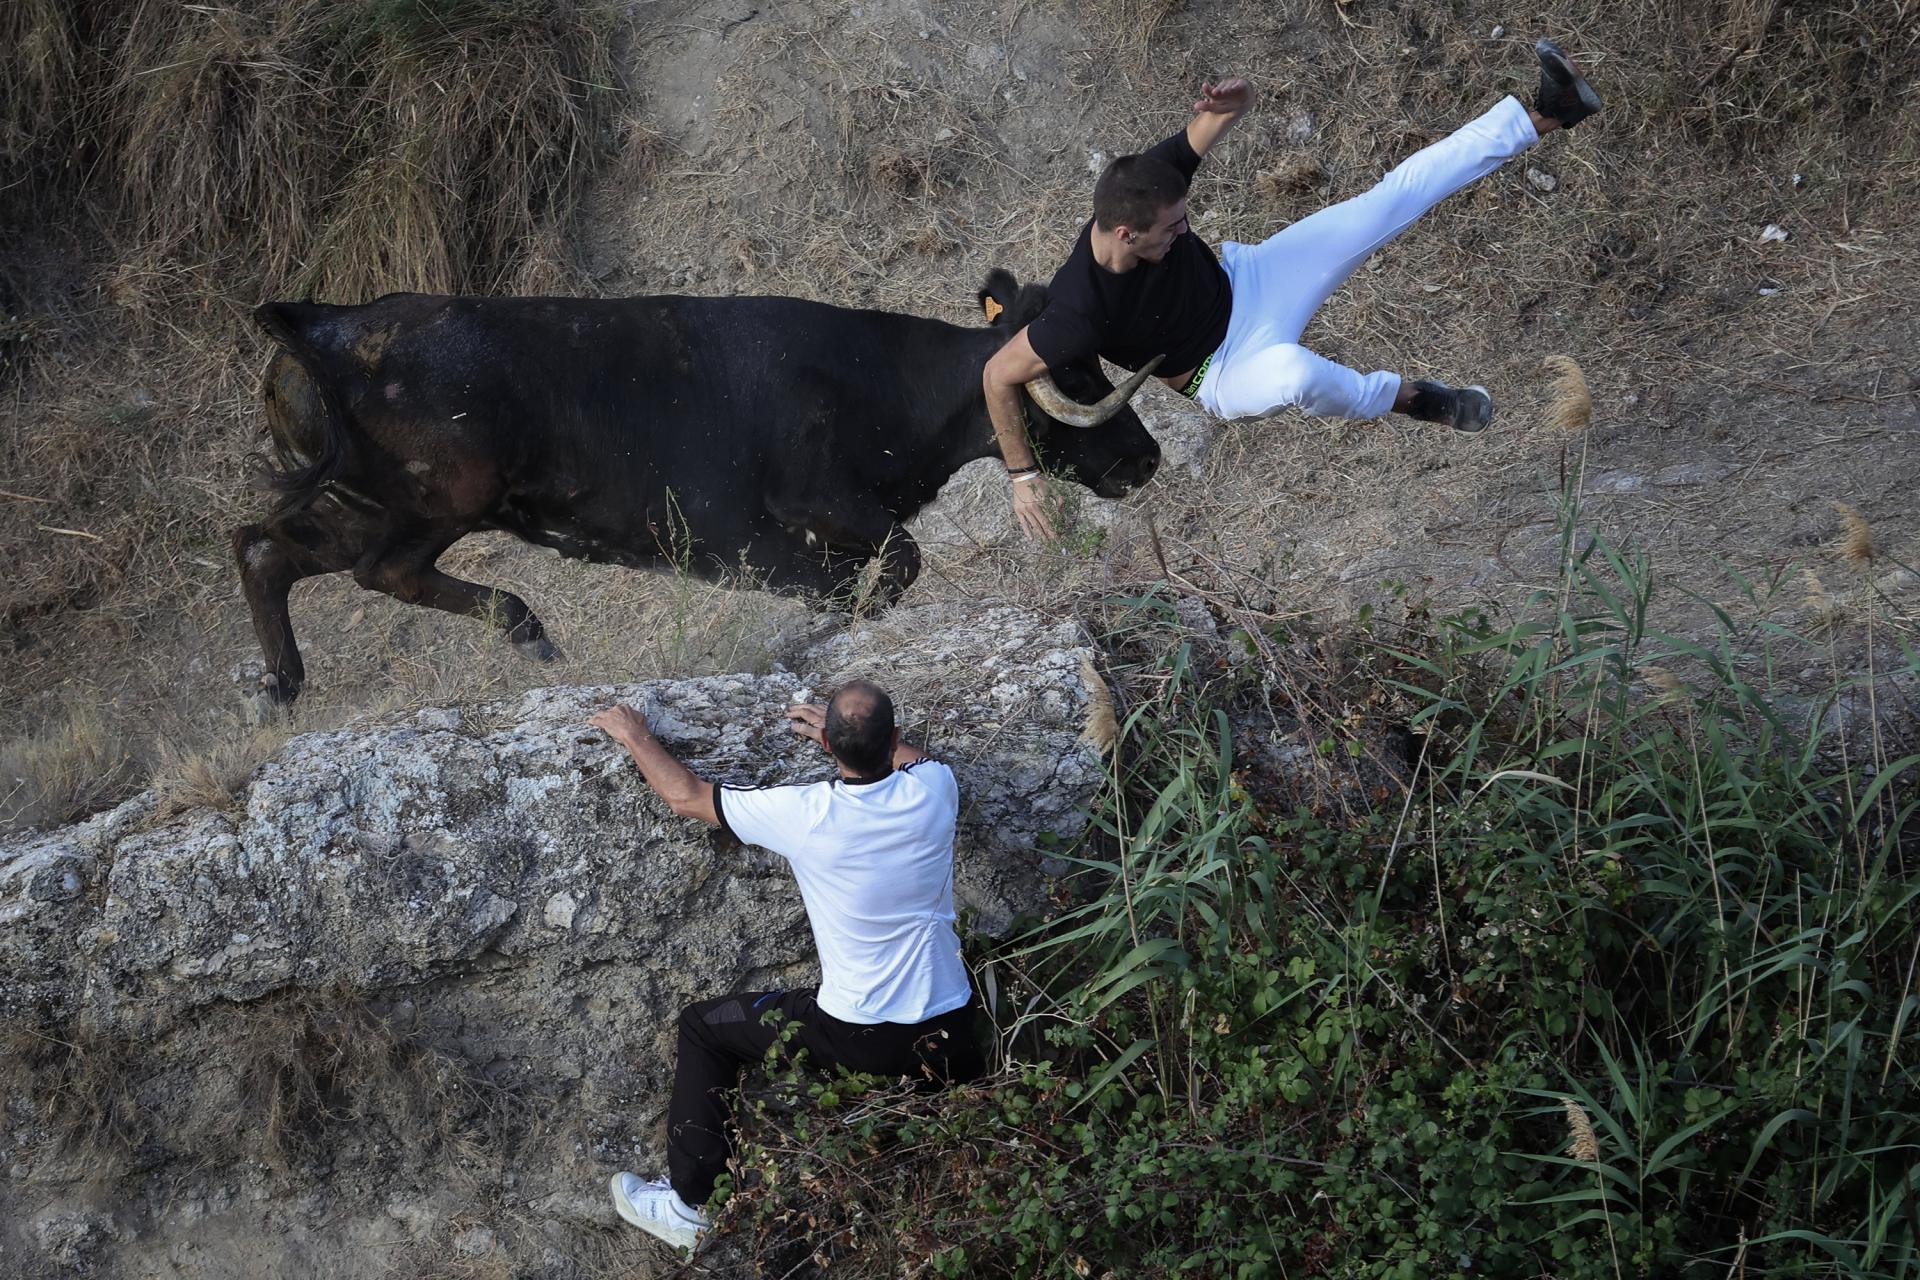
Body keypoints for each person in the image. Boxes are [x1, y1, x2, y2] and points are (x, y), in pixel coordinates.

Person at [983, 39, 1604, 540]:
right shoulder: (1077, 309)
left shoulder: (1146, 184)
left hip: (1251, 279)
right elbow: (997, 376)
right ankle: (1417, 400)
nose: (1182, 230)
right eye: (1171, 229)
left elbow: (1217, 118)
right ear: (1127, 233)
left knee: (1385, 202)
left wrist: (1237, 100)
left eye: (1182, 219)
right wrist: (1021, 476)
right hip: (1222, 369)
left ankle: (1546, 113)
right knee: (1296, 375)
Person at [588, 681, 984, 1253]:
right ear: (894, 738)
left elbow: (686, 796)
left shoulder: (807, 813)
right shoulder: (935, 789)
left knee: (704, 1027)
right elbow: (912, 758)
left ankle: (689, 1208)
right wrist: (852, 732)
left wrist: (635, 734)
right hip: (953, 1031)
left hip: (861, 1034)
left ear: (826, 743)